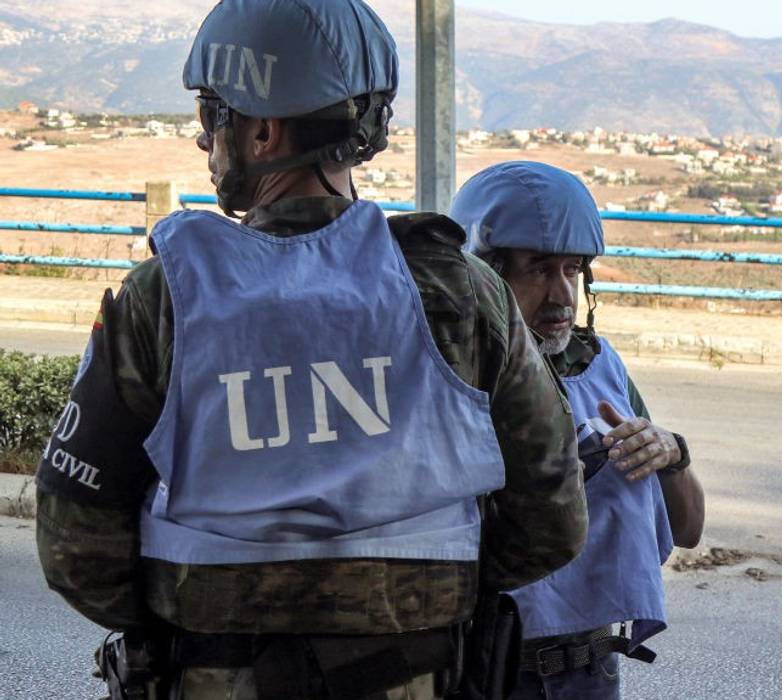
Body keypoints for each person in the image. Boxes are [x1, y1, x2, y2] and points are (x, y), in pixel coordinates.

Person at [34, 2, 587, 698]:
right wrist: (415, 601)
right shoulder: (464, 292)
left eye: (212, 114)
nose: (206, 141)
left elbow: (74, 545)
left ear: (261, 131)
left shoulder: (166, 295)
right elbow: (552, 517)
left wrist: (195, 624)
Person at [450, 161, 706, 699]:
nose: (562, 295)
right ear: (484, 274)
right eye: (539, 269)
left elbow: (687, 530)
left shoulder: (598, 368)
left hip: (591, 670)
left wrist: (672, 453)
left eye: (572, 269)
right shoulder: (454, 377)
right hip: (488, 667)